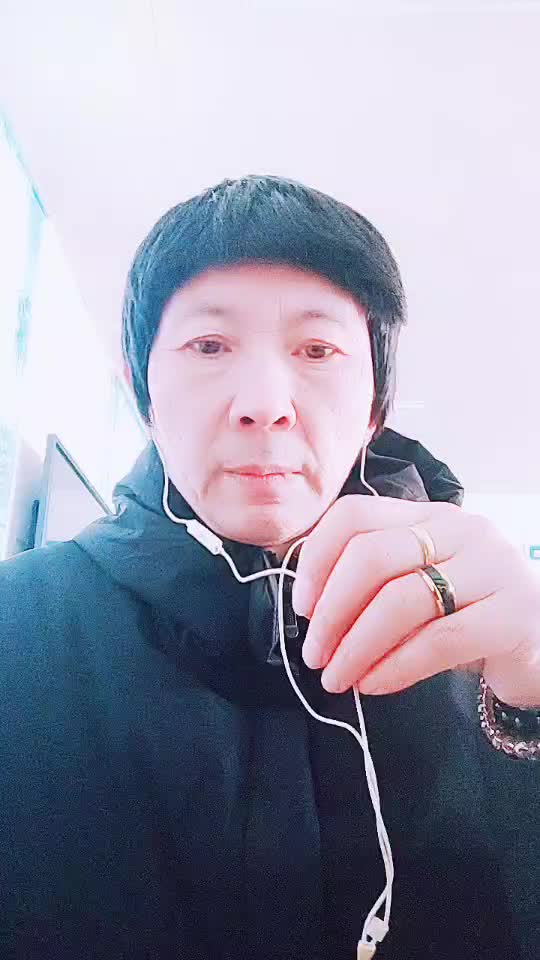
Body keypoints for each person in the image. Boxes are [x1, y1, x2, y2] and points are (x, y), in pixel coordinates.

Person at [1, 174, 539, 960]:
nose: (265, 402)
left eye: (318, 350)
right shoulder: (18, 631)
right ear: (143, 390)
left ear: (376, 405)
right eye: (209, 346)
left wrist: (531, 695)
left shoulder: (479, 644)